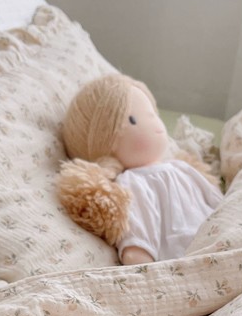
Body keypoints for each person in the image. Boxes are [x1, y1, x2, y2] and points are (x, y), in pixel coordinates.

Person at [58, 74, 222, 264]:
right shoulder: (133, 182)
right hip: (192, 255)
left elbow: (223, 204)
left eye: (153, 114)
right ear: (106, 141)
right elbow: (139, 234)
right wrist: (138, 254)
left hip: (223, 233)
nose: (155, 124)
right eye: (133, 120)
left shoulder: (183, 167)